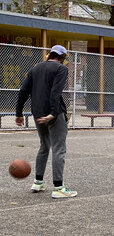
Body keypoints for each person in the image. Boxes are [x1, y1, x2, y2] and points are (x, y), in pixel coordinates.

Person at [15, 45, 77, 199]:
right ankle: (58, 187)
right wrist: (54, 113)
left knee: (44, 146)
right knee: (59, 149)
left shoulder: (35, 68)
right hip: (53, 114)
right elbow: (55, 92)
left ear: (49, 55)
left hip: (37, 113)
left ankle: (38, 182)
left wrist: (19, 113)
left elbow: (23, 91)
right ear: (62, 58)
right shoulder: (61, 69)